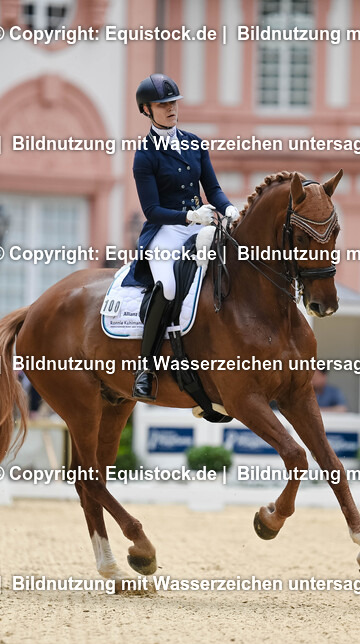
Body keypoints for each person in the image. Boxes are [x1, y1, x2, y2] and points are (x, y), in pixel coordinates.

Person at [122, 73, 239, 400]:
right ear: (147, 109)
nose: (171, 108)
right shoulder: (145, 155)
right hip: (166, 231)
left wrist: (228, 209)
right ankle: (145, 368)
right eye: (163, 104)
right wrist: (188, 215)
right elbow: (152, 210)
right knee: (169, 287)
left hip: (202, 225)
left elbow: (212, 189)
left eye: (173, 102)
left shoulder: (194, 143)